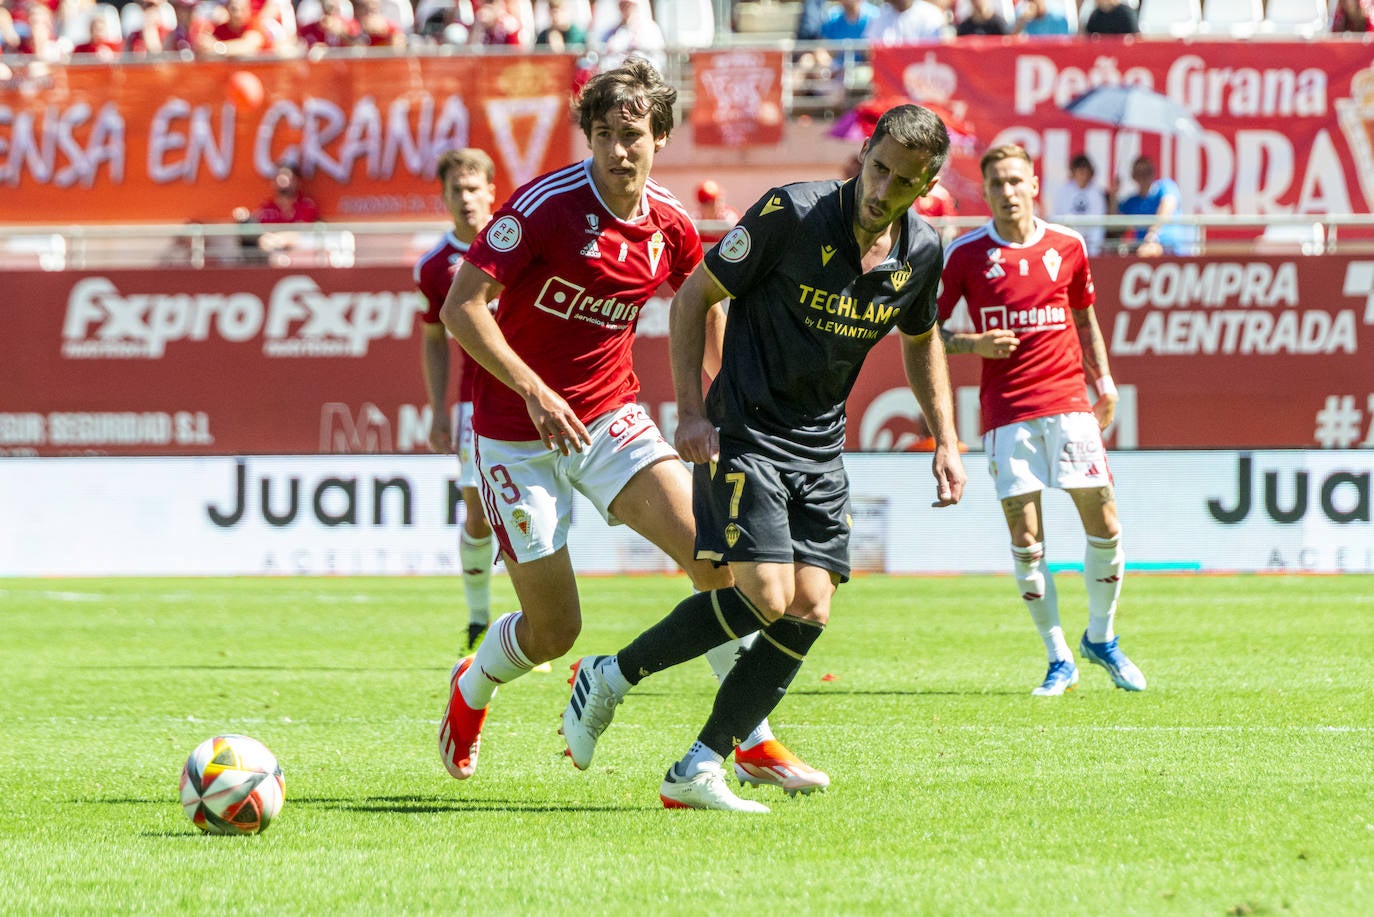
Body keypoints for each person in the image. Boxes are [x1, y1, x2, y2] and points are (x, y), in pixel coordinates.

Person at [560, 103, 967, 813]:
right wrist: (690, 410)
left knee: (809, 607)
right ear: (863, 153)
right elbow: (694, 297)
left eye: (902, 182)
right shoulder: (792, 212)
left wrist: (948, 437)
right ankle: (611, 676)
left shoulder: (922, 252)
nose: (881, 190)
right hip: (742, 429)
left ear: (925, 183)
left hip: (820, 444)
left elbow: (922, 336)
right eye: (876, 169)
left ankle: (696, 763)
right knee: (766, 594)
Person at [436, 59, 819, 790]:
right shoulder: (545, 206)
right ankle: (473, 685)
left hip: (611, 416)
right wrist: (534, 390)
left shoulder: (670, 223)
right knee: (555, 630)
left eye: (634, 135)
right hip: (516, 432)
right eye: (605, 135)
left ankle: (750, 738)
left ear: (661, 137)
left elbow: (702, 301)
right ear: (589, 137)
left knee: (716, 565)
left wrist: (721, 398)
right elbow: (462, 308)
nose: (619, 151)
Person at [937, 143, 1145, 697]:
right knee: (1027, 539)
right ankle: (1059, 658)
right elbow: (923, 334)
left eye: (1014, 180)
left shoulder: (1068, 245)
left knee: (1106, 525)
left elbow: (1084, 318)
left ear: (1034, 184)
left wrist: (1103, 382)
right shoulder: (964, 255)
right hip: (1008, 415)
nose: (1006, 192)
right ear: (985, 192)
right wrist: (973, 342)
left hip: (1071, 407)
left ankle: (1100, 638)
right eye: (996, 183)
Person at [416, 149, 501, 652]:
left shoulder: (521, 243)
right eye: (456, 190)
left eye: (474, 188)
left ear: (491, 190)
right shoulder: (434, 267)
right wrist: (437, 411)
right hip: (477, 404)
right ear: (444, 197)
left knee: (532, 515)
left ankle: (530, 627)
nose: (466, 199)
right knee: (479, 514)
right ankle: (478, 622)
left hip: (541, 397)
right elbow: (432, 341)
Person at [233, 160, 322, 264]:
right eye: (279, 177)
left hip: (300, 257)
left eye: (288, 177)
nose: (283, 181)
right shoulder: (267, 208)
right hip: (271, 257)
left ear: (296, 181)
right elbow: (262, 237)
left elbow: (304, 235)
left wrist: (280, 239)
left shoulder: (307, 205)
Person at [1113, 154, 1195, 256]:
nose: (1144, 175)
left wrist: (1152, 233)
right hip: (1144, 251)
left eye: (1148, 171)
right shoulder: (1132, 201)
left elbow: (1168, 204)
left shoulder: (1165, 186)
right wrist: (1113, 194)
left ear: (1153, 172)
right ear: (1133, 176)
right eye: (1139, 172)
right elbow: (1115, 222)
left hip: (1172, 249)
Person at [1050, 152, 1107, 256]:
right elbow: (1057, 220)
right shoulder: (1063, 191)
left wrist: (1093, 251)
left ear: (1091, 172)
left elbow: (1098, 223)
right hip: (1067, 245)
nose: (1082, 173)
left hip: (1091, 246)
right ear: (1073, 172)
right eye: (1079, 169)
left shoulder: (1097, 192)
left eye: (1085, 169)